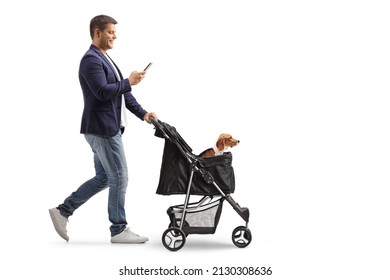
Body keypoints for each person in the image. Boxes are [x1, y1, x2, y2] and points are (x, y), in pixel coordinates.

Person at [49, 15, 158, 244]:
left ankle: (62, 211)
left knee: (104, 178)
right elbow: (101, 91)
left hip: (104, 128)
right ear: (97, 32)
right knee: (120, 177)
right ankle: (118, 229)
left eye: (114, 32)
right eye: (110, 32)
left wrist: (144, 114)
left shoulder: (105, 58)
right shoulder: (90, 60)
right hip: (102, 129)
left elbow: (123, 93)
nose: (114, 36)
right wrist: (128, 81)